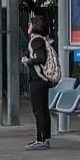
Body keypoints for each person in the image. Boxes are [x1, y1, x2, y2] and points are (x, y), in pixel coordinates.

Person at [21, 16, 52, 151]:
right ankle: (46, 138)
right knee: (44, 109)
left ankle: (40, 139)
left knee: (38, 110)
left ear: (34, 26)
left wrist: (28, 61)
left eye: (30, 24)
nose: (28, 26)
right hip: (43, 79)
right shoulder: (43, 40)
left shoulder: (36, 41)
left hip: (37, 80)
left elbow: (40, 58)